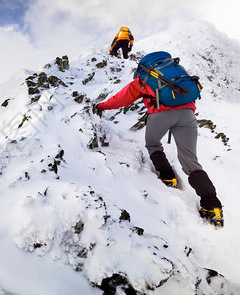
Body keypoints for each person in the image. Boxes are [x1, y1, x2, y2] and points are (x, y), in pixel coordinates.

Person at [95, 57, 224, 227]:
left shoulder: (145, 79)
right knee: (191, 161)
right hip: (187, 115)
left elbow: (122, 98)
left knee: (153, 144)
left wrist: (101, 107)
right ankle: (212, 206)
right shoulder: (179, 74)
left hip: (160, 114)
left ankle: (168, 177)